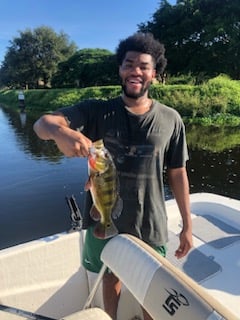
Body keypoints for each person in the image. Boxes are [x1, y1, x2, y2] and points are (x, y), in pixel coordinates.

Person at [33, 32, 193, 320]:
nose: (136, 71)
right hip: (103, 216)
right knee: (110, 276)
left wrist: (187, 225)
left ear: (154, 74)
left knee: (151, 289)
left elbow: (178, 172)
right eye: (129, 64)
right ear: (120, 69)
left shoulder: (171, 119)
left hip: (150, 221)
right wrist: (61, 132)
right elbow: (42, 124)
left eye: (143, 66)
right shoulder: (97, 111)